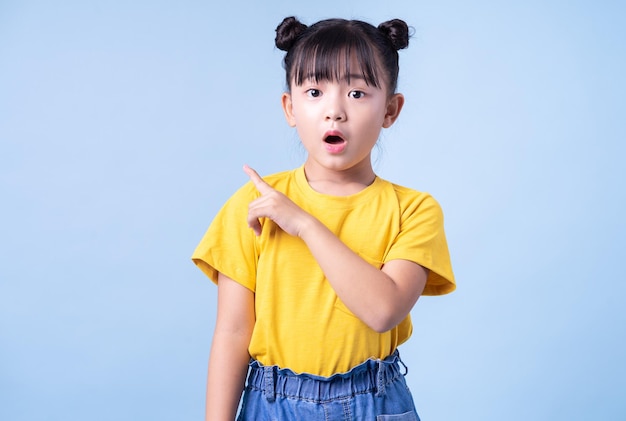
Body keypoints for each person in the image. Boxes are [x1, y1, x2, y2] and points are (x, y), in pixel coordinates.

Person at [192, 16, 455, 421]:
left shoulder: (414, 211)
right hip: (272, 403)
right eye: (314, 91)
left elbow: (383, 310)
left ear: (390, 109)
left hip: (375, 403)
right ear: (290, 107)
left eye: (356, 92)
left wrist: (304, 224)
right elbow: (232, 333)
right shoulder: (256, 201)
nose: (334, 111)